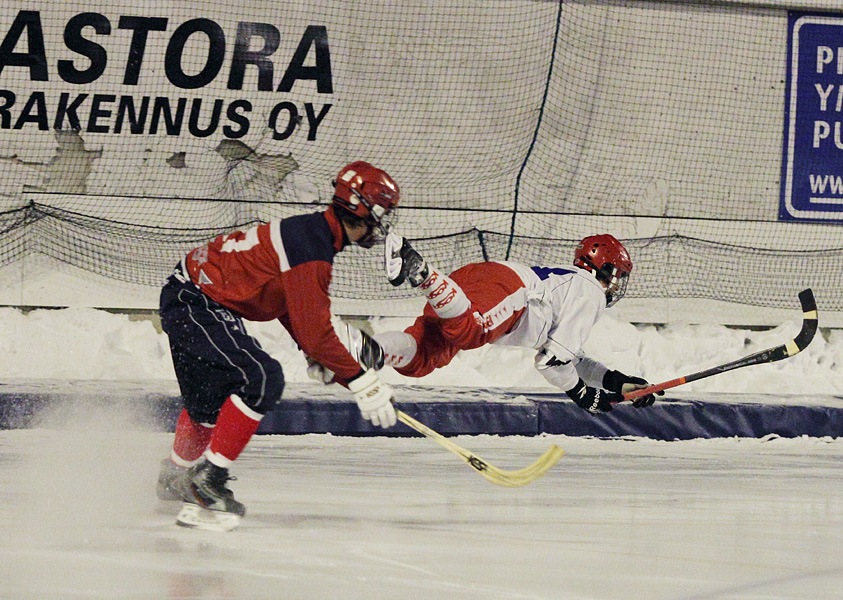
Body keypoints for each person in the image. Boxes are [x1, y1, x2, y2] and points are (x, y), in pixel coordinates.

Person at [156, 161, 400, 530]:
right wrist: (361, 381)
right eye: (382, 213)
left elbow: (291, 305)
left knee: (207, 406)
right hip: (196, 301)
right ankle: (208, 481)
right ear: (362, 208)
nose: (383, 225)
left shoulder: (312, 235)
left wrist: (312, 351)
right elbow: (315, 328)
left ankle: (175, 476)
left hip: (188, 294)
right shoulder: (312, 246)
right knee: (262, 379)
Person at [366, 232, 662, 413]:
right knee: (472, 333)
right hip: (507, 287)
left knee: (422, 357)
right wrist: (583, 395)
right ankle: (420, 270)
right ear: (606, 268)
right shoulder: (591, 291)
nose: (616, 285)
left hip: (476, 283)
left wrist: (618, 382)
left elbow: (570, 358)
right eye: (618, 276)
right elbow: (553, 363)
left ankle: (365, 349)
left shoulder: (572, 288)